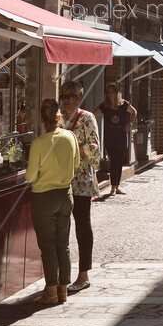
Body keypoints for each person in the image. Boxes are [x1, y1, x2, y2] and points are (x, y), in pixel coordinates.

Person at [25, 99, 80, 307]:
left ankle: (51, 289)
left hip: (43, 198)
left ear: (43, 118)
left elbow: (30, 176)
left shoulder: (39, 143)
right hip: (65, 195)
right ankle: (63, 289)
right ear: (59, 117)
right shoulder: (70, 137)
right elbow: (76, 165)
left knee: (47, 246)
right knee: (63, 244)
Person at [60, 80, 101, 293]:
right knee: (61, 227)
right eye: (64, 96)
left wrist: (73, 150)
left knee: (82, 225)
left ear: (79, 99)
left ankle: (83, 273)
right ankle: (61, 273)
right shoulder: (58, 119)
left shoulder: (87, 118)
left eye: (72, 97)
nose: (67, 101)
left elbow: (95, 148)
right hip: (60, 180)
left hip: (81, 181)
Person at [98, 83, 137, 196]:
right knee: (112, 161)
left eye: (113, 92)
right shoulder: (105, 105)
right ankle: (113, 187)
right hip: (109, 137)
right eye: (108, 92)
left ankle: (116, 187)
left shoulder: (123, 104)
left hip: (121, 137)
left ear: (117, 93)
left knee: (118, 162)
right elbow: (93, 113)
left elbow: (134, 112)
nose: (111, 94)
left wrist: (129, 124)